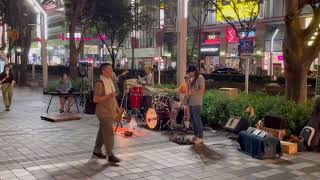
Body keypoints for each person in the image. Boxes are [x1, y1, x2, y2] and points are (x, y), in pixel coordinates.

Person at [92, 63, 122, 163]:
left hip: (111, 111)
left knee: (102, 132)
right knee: (109, 133)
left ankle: (97, 151)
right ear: (104, 71)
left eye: (112, 69)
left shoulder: (109, 81)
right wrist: (108, 96)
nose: (112, 72)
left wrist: (117, 108)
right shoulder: (100, 83)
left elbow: (113, 97)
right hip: (103, 112)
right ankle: (110, 155)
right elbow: (95, 99)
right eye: (110, 70)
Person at [187, 64, 206, 145]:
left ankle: (200, 137)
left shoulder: (200, 77)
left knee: (197, 119)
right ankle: (195, 135)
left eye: (190, 72)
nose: (189, 74)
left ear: (194, 71)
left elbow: (202, 89)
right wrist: (187, 81)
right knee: (193, 119)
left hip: (197, 102)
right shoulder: (192, 79)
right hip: (191, 102)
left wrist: (193, 93)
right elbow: (189, 90)